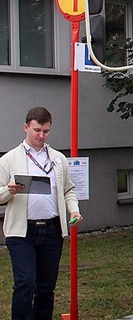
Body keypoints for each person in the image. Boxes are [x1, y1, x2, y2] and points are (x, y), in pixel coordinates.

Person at [0, 107, 82, 320]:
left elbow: (68, 189)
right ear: (26, 127)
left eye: (46, 131)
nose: (41, 135)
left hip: (51, 230)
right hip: (21, 232)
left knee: (46, 288)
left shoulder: (57, 158)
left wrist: (74, 209)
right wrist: (9, 190)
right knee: (25, 282)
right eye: (36, 130)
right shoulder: (9, 159)